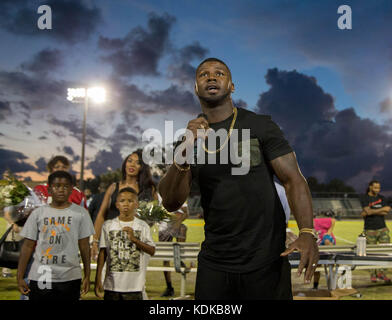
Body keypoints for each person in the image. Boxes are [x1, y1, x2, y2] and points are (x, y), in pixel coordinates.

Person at [158, 57, 319, 300]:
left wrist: (307, 231)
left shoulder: (259, 125)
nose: (211, 77)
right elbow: (170, 201)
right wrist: (186, 145)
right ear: (195, 87)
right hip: (215, 262)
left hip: (265, 261)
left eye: (219, 73)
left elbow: (293, 179)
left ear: (232, 86)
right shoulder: (190, 138)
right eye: (203, 74)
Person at [16, 171, 95, 300]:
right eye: (56, 186)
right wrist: (20, 276)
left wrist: (87, 274)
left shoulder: (80, 213)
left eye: (65, 186)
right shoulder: (38, 213)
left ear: (71, 189)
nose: (61, 190)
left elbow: (84, 245)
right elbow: (27, 246)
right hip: (42, 274)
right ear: (49, 189)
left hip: (70, 275)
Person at [92, 149, 158, 259]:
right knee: (108, 274)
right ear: (125, 164)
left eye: (138, 163)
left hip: (136, 241)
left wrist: (139, 223)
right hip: (112, 239)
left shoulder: (149, 190)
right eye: (130, 160)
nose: (132, 164)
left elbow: (154, 216)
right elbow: (101, 216)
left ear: (143, 167)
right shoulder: (113, 188)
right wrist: (94, 241)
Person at [94, 188, 155, 300]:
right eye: (122, 201)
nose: (126, 204)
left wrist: (135, 240)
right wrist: (98, 279)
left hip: (134, 287)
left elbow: (152, 250)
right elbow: (103, 253)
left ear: (136, 204)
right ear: (117, 205)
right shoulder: (108, 225)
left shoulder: (142, 226)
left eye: (130, 201)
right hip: (112, 286)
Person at [360, 180, 391, 283]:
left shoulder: (382, 198)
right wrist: (380, 210)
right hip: (370, 229)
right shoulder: (364, 198)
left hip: (382, 228)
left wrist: (371, 211)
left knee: (385, 252)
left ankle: (382, 273)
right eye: (375, 188)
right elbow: (367, 211)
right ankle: (373, 274)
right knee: (371, 253)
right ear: (370, 187)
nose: (377, 190)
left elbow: (386, 210)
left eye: (378, 188)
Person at [158, 203, 188, 297]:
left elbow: (185, 214)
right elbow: (186, 214)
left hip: (163, 230)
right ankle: (179, 257)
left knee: (165, 259)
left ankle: (169, 288)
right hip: (165, 229)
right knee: (183, 228)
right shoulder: (179, 198)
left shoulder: (163, 198)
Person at [313, 210, 336, 289]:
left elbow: (332, 220)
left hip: (323, 244)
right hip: (320, 244)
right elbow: (333, 220)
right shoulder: (315, 222)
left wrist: (329, 232)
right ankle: (316, 286)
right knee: (318, 267)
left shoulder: (316, 221)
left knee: (326, 266)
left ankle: (330, 285)